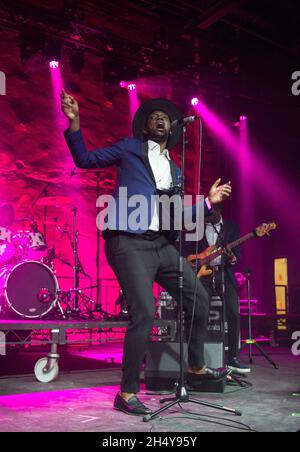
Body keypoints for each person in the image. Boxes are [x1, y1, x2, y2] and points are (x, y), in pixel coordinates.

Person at [61, 91, 232, 416]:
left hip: (160, 244)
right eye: (153, 116)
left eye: (165, 116)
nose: (159, 118)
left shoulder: (177, 171)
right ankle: (127, 392)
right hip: (128, 240)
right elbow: (84, 159)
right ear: (145, 127)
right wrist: (75, 122)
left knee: (198, 296)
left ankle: (195, 366)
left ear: (172, 128)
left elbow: (175, 217)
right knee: (145, 311)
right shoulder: (130, 149)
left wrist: (208, 203)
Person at [184, 205, 251, 374]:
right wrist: (196, 260)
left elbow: (238, 255)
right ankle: (197, 361)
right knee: (199, 312)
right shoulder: (197, 228)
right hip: (203, 274)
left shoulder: (231, 227)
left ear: (218, 212)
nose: (206, 216)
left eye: (209, 213)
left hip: (223, 272)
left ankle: (233, 359)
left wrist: (232, 257)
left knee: (233, 313)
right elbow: (187, 252)